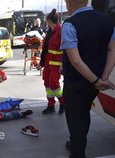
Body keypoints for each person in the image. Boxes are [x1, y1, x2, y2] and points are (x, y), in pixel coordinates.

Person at [61, 0, 115, 157]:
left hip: (76, 82)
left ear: (69, 3)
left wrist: (96, 81)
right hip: (95, 83)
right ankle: (76, 143)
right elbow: (112, 50)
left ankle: (77, 152)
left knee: (75, 118)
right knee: (83, 112)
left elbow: (75, 60)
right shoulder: (108, 20)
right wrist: (102, 78)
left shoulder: (70, 24)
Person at [36, 9, 64, 115]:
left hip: (57, 62)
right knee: (47, 83)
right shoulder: (49, 32)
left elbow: (65, 49)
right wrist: (41, 63)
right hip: (48, 61)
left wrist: (63, 64)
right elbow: (45, 49)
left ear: (48, 20)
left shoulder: (61, 31)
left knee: (54, 83)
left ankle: (63, 103)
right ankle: (51, 105)